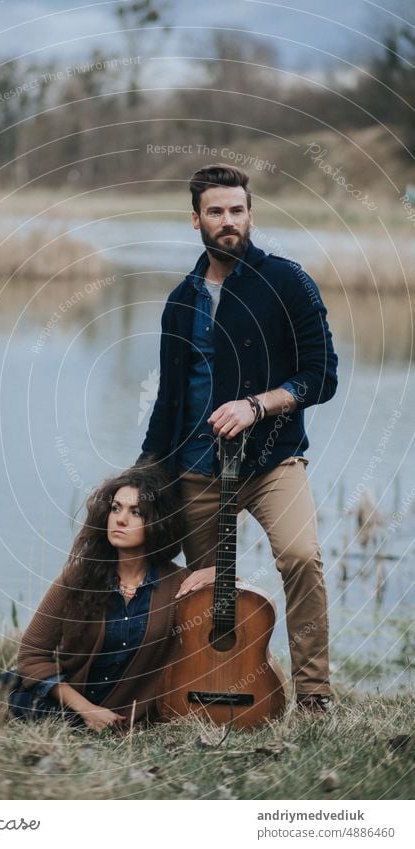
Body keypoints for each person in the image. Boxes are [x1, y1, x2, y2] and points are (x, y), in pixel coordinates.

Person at [138, 164, 338, 714]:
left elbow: (323, 375)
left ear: (251, 213)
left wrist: (258, 405)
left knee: (302, 556)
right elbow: (169, 401)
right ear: (196, 219)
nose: (229, 222)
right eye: (216, 212)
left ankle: (314, 694)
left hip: (274, 460)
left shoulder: (288, 281)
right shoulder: (181, 300)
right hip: (198, 469)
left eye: (238, 210)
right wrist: (144, 472)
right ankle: (203, 692)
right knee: (203, 594)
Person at [0, 464, 194, 730]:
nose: (120, 519)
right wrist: (86, 709)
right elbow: (32, 654)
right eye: (116, 508)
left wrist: (220, 575)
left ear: (158, 523)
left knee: (19, 709)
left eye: (136, 513)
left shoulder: (180, 586)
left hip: (114, 714)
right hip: (64, 693)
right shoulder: (80, 577)